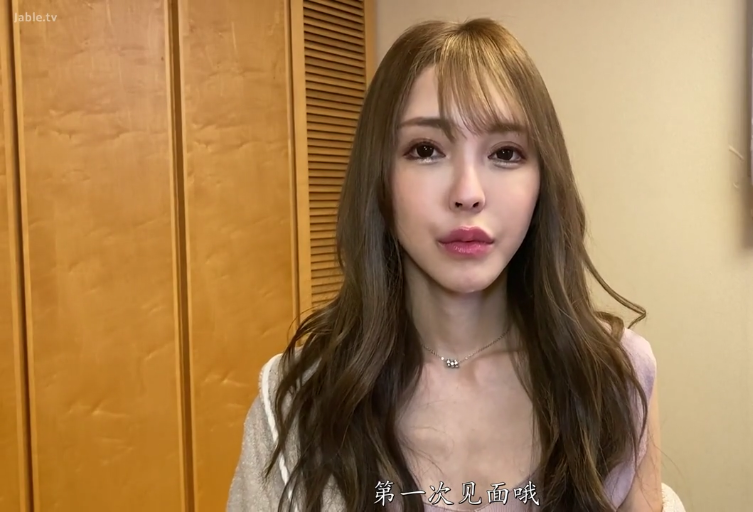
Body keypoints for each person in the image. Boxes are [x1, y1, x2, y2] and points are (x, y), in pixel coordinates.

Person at [228, 17, 662, 512]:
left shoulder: (614, 375)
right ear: (379, 176)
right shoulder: (298, 399)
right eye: (426, 150)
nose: (468, 193)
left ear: (543, 181)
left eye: (505, 153)